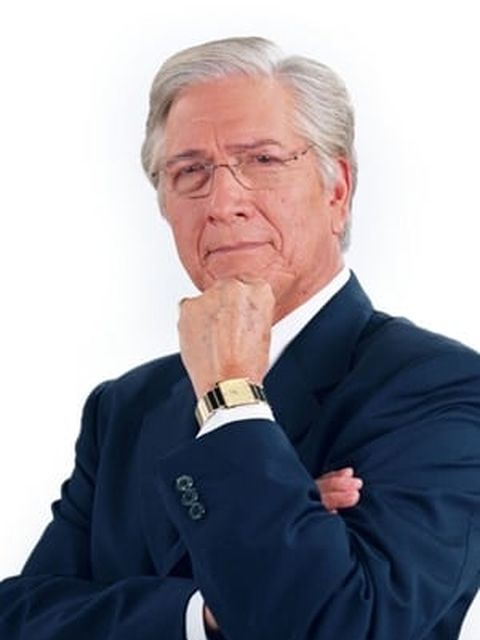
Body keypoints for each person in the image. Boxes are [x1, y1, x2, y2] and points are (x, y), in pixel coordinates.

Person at [1, 36, 479, 640]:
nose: (223, 202)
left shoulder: (442, 388)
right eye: (190, 171)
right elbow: (19, 617)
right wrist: (214, 602)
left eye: (263, 161)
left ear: (337, 190)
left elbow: (343, 624)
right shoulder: (124, 408)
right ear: (165, 204)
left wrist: (232, 401)